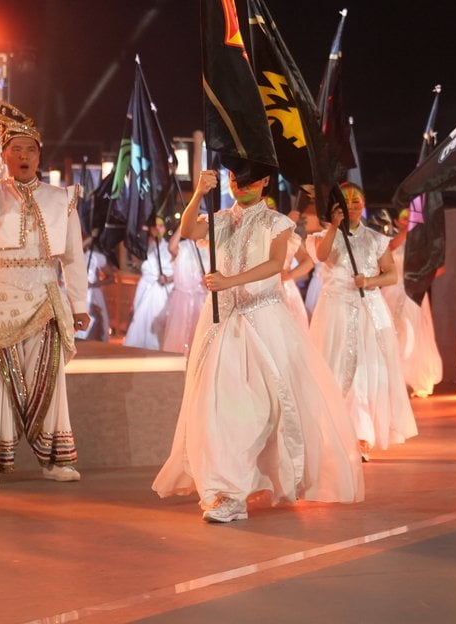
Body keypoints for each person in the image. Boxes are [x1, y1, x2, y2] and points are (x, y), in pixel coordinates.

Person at [153, 167, 364, 523]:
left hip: (264, 322)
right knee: (217, 407)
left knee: (261, 410)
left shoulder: (277, 223)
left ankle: (246, 483)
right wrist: (199, 193)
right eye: (235, 179)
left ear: (265, 182)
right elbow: (188, 231)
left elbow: (275, 264)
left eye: (249, 180)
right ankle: (228, 493)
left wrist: (230, 280)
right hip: (220, 324)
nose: (240, 186)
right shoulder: (220, 219)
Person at [0, 103, 90, 485]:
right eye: (16, 149)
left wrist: (79, 305)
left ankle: (54, 460)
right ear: (5, 156)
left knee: (48, 379)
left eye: (30, 149)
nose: (24, 156)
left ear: (39, 156)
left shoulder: (61, 198)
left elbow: (73, 257)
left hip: (44, 298)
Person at [308, 183, 417, 453]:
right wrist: (334, 227)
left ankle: (362, 434)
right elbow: (322, 256)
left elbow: (391, 274)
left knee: (366, 370)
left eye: (356, 200)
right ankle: (336, 429)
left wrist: (368, 281)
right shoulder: (323, 236)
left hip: (370, 309)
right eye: (346, 201)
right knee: (336, 367)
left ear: (364, 202)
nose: (352, 205)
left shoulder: (376, 239)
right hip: (335, 309)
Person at [382, 207, 444, 398]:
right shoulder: (388, 240)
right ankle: (395, 378)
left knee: (413, 332)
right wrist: (407, 231)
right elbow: (389, 250)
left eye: (411, 218)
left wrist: (422, 276)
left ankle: (412, 378)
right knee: (394, 332)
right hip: (392, 290)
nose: (408, 220)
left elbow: (439, 268)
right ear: (396, 221)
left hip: (414, 291)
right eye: (404, 218)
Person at [122, 217, 173, 349]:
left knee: (155, 318)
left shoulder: (169, 247)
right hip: (145, 286)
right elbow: (135, 259)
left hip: (162, 290)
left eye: (160, 226)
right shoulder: (144, 246)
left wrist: (167, 278)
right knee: (139, 316)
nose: (158, 229)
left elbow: (178, 272)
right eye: (155, 226)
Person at [159, 232, 208, 355]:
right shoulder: (182, 246)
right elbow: (171, 248)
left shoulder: (208, 247)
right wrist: (183, 225)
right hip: (182, 299)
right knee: (179, 333)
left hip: (202, 297)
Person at [77, 237, 112, 342]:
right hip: (75, 294)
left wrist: (94, 284)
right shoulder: (72, 256)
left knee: (93, 324)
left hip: (92, 295)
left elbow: (111, 277)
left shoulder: (96, 257)